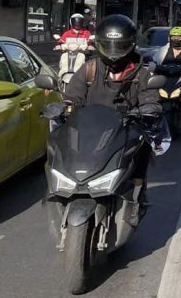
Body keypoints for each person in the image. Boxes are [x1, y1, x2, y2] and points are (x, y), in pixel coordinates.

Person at [63, 14, 162, 221]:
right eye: (108, 46)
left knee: (143, 147)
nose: (114, 53)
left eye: (120, 46)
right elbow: (72, 95)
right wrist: (66, 105)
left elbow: (149, 97)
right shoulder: (90, 69)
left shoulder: (141, 73)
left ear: (131, 45)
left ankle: (136, 196)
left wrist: (148, 107)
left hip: (126, 129)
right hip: (91, 130)